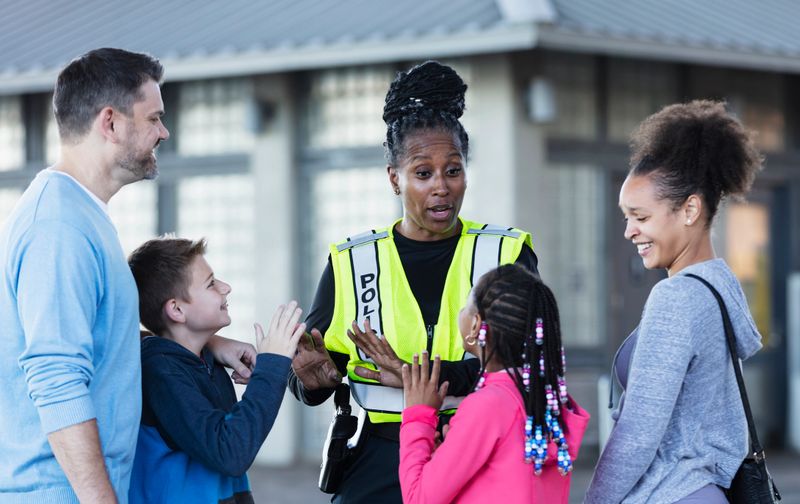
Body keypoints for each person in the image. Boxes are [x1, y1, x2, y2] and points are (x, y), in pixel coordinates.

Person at [0, 48, 255, 503]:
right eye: (154, 118)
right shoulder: (57, 227)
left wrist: (208, 342)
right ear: (111, 123)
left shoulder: (81, 215)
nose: (164, 131)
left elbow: (96, 335)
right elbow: (56, 377)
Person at [289, 60, 540, 503]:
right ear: (394, 178)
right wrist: (312, 383)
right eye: (423, 173)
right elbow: (317, 367)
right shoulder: (353, 261)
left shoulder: (506, 254)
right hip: (382, 461)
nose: (441, 187)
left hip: (480, 453)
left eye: (453, 170)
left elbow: (527, 362)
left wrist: (413, 379)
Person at [584, 100, 764, 503]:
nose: (629, 231)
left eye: (641, 217)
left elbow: (638, 432)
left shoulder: (676, 297)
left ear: (690, 209)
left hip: (671, 492)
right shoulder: (718, 287)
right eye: (625, 217)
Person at [126, 237, 304, 503]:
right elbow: (229, 452)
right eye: (211, 284)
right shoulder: (161, 371)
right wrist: (272, 367)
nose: (226, 288)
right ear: (176, 309)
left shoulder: (204, 358)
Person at [399, 264, 589, 503]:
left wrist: (418, 416)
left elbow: (419, 499)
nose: (461, 312)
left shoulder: (488, 406)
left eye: (466, 305)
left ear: (476, 324)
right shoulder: (545, 399)